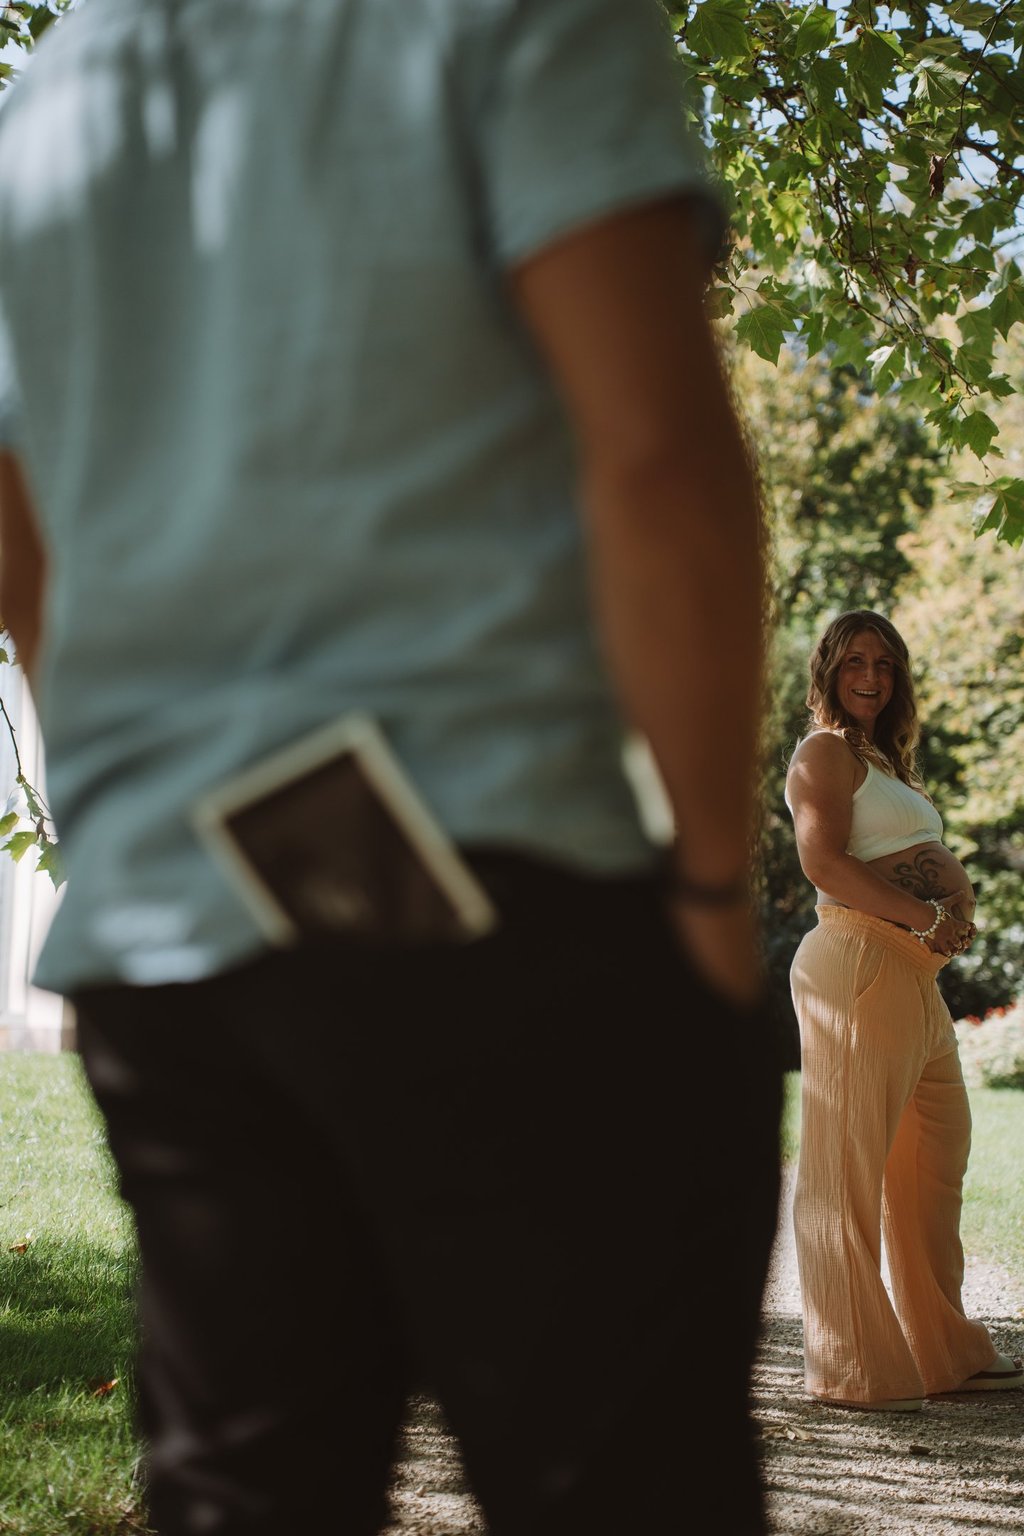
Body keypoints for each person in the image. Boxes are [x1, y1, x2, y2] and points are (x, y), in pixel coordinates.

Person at [0, 1, 781, 1532]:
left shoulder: (51, 94)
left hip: (171, 931)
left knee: (248, 1493)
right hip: (500, 885)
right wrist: (708, 882)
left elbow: (19, 543)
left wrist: (137, 797)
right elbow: (657, 459)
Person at [785, 609, 1023, 1413]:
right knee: (845, 1170)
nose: (872, 676)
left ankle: (942, 1351)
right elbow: (822, 862)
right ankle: (854, 1367)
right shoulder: (822, 753)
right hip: (858, 959)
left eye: (885, 663)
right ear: (828, 669)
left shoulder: (881, 759)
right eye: (856, 661)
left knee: (933, 1160)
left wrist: (944, 914)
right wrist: (927, 914)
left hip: (912, 976)